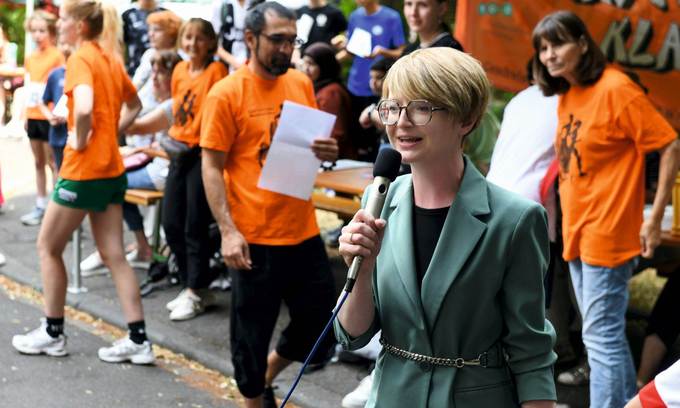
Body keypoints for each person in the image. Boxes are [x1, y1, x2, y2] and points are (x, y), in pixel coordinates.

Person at [334, 47, 557, 407]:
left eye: (421, 107)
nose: (401, 122)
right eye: (391, 107)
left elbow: (532, 352)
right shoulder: (378, 202)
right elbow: (353, 335)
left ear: (466, 119)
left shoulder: (515, 220)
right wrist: (362, 270)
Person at [532, 10, 680, 408]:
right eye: (543, 48)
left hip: (609, 233)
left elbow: (669, 145)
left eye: (557, 43)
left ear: (583, 43)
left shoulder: (617, 88)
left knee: (600, 338)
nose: (549, 55)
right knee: (601, 337)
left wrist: (653, 217)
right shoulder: (567, 93)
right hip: (576, 231)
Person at [200, 3, 339, 407]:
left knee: (320, 323)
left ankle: (267, 376)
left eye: (291, 40)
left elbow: (306, 149)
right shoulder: (226, 93)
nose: (286, 48)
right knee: (248, 342)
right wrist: (228, 231)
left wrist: (325, 149)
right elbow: (211, 168)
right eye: (277, 40)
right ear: (250, 39)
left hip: (302, 230)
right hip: (252, 237)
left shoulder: (299, 83)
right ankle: (254, 394)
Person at [11, 0, 154, 364]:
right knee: (114, 255)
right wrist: (111, 134)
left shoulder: (81, 60)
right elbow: (134, 105)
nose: (59, 26)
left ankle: (53, 332)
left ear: (80, 26)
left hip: (83, 170)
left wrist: (80, 138)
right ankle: (139, 340)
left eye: (63, 20)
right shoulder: (108, 58)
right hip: (111, 170)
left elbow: (86, 107)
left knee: (47, 247)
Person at [79, 50, 180, 273]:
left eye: (160, 74)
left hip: (163, 174)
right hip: (162, 169)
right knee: (115, 184)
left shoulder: (171, 105)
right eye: (152, 72)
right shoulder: (169, 102)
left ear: (173, 77)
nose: (153, 78)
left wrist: (118, 101)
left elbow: (133, 126)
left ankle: (108, 250)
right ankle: (137, 247)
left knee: (107, 183)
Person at [161, 18, 227, 321]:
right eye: (188, 38)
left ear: (210, 42)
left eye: (199, 38)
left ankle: (196, 290)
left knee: (194, 224)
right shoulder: (178, 70)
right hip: (179, 150)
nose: (192, 44)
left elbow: (212, 113)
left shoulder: (216, 71)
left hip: (202, 152)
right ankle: (195, 285)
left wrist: (192, 140)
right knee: (171, 222)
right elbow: (177, 108)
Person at [340, 0, 405, 161]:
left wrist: (383, 52)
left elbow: (402, 51)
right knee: (357, 138)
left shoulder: (391, 17)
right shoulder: (355, 16)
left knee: (380, 137)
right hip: (356, 85)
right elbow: (351, 50)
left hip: (381, 88)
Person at [20, 9, 64, 227]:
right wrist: (24, 113)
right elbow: (29, 86)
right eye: (34, 31)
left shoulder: (57, 56)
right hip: (33, 114)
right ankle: (40, 204)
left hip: (50, 116)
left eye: (42, 31)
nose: (38, 35)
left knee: (53, 162)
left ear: (51, 32)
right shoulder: (29, 58)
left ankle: (57, 209)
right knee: (38, 161)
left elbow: (58, 87)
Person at [300, 42, 353, 158]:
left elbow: (336, 133)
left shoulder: (330, 93)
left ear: (324, 66)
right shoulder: (318, 88)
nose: (305, 68)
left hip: (336, 160)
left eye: (311, 64)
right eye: (304, 63)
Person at [38, 41, 71, 171]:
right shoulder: (55, 74)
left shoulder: (83, 71)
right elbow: (43, 102)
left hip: (75, 135)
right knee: (58, 169)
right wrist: (51, 118)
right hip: (58, 135)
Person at [133, 10, 182, 91]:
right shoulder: (149, 53)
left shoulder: (180, 57)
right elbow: (136, 84)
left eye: (157, 30)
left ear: (172, 33)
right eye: (150, 30)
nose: (151, 34)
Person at [210, 0, 257, 72]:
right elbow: (213, 42)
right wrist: (236, 63)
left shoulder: (258, 3)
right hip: (227, 63)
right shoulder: (220, 4)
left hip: (254, 63)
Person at [122, 0, 164, 76]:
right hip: (134, 70)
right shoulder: (128, 15)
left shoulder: (165, 14)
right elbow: (120, 45)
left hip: (160, 71)